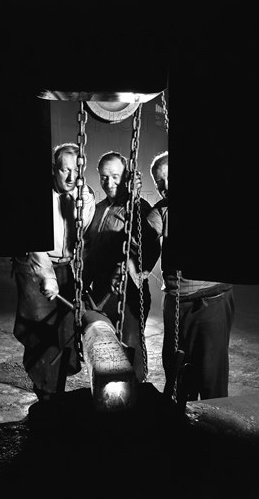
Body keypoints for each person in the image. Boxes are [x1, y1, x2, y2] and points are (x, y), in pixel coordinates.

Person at [12, 142, 95, 401]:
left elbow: (82, 235)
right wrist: (47, 277)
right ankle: (46, 394)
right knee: (42, 332)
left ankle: (56, 386)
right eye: (64, 170)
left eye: (76, 171)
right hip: (34, 266)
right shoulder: (36, 196)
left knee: (65, 330)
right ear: (53, 169)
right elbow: (34, 245)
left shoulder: (85, 195)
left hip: (64, 265)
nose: (71, 178)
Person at [150, 151, 235, 400]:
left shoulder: (212, 203)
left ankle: (213, 433)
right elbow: (145, 238)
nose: (165, 187)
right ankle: (181, 432)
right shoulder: (161, 211)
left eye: (169, 178)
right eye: (159, 183)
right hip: (177, 305)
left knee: (211, 381)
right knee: (178, 380)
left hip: (211, 302)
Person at [83, 151, 162, 382]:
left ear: (126, 176)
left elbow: (150, 246)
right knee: (105, 350)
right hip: (99, 292)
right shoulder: (97, 209)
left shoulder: (138, 208)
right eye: (104, 177)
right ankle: (111, 398)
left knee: (131, 349)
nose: (109, 183)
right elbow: (88, 251)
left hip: (128, 293)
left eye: (115, 176)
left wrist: (137, 273)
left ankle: (137, 395)